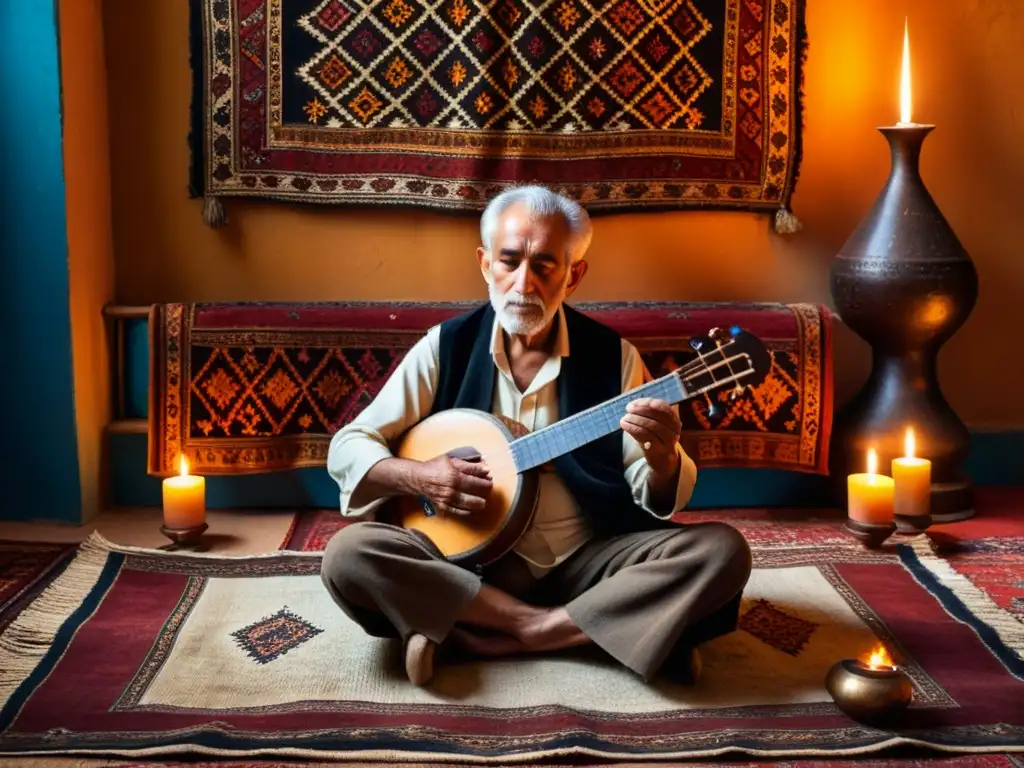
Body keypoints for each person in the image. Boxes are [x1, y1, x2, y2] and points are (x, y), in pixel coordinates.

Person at [321, 185, 752, 687]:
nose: (524, 283)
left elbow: (651, 491)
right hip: (470, 563)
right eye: (509, 261)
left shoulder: (615, 357)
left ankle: (479, 631)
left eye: (545, 265)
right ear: (485, 265)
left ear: (574, 276)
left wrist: (662, 463)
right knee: (348, 556)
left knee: (723, 551)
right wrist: (421, 476)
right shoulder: (445, 347)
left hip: (592, 558)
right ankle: (608, 631)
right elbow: (349, 445)